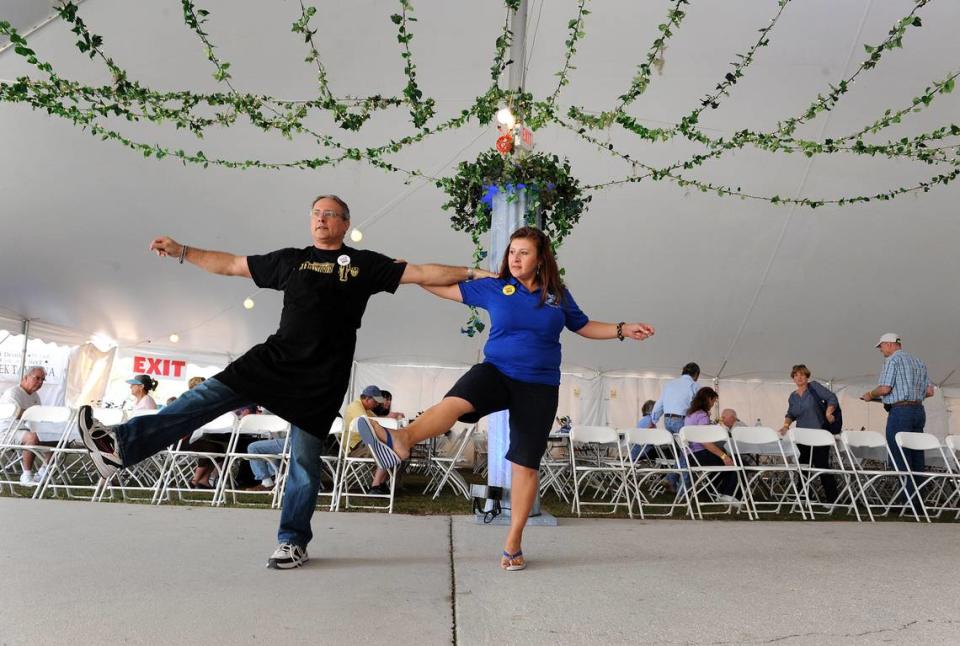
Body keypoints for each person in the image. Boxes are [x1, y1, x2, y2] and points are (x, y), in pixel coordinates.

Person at [77, 193, 494, 570]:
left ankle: (292, 540)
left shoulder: (364, 265)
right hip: (274, 359)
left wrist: (473, 273)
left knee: (304, 463)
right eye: (316, 213)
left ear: (345, 224)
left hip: (322, 376)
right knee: (202, 398)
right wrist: (184, 250)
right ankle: (121, 445)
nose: (322, 219)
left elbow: (420, 272)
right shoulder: (291, 259)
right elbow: (232, 264)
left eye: (331, 214)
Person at [355, 226, 654, 571]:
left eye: (524, 252)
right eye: (512, 252)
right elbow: (444, 287)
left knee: (525, 465)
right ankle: (402, 439)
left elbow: (583, 325)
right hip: (496, 370)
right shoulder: (495, 287)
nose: (515, 258)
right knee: (455, 401)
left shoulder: (557, 294)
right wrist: (411, 275)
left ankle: (513, 543)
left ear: (541, 258)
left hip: (539, 386)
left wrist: (621, 329)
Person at [860, 333, 934, 505]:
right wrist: (912, 396)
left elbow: (885, 388)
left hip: (900, 411)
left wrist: (870, 394)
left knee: (900, 455)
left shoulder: (892, 360)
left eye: (881, 347)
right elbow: (930, 392)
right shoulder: (918, 361)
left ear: (889, 344)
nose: (881, 350)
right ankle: (918, 501)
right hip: (918, 410)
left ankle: (906, 500)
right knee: (917, 456)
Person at [779, 364, 840, 503]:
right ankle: (804, 496)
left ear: (807, 376)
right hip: (802, 436)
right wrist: (785, 426)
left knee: (821, 466)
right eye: (796, 375)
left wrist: (828, 411)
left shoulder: (814, 387)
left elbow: (832, 398)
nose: (799, 377)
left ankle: (832, 499)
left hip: (819, 434)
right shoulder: (792, 397)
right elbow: (790, 414)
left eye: (802, 374)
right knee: (803, 466)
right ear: (793, 378)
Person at [650, 362, 701, 490]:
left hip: (668, 420)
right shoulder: (694, 385)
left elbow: (659, 404)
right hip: (682, 420)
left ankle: (671, 479)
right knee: (688, 453)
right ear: (696, 375)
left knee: (682, 453)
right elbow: (698, 406)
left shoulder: (670, 384)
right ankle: (683, 490)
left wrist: (653, 419)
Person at [683, 386, 738, 503]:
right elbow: (705, 442)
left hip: (690, 456)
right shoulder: (702, 416)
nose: (713, 404)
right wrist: (724, 456)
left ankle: (710, 492)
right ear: (708, 399)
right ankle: (727, 495)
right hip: (700, 455)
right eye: (713, 401)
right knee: (733, 463)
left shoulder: (690, 415)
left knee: (721, 464)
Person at [0, 366, 48, 485]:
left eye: (42, 379)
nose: (40, 382)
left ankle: (42, 473)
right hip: (7, 431)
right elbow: (16, 414)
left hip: (24, 430)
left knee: (55, 439)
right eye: (37, 378)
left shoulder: (35, 396)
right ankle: (26, 475)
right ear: (26, 377)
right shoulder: (13, 393)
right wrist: (32, 414)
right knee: (32, 437)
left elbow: (39, 417)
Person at [343, 385, 392, 495]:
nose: (377, 404)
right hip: (354, 448)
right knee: (389, 449)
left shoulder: (366, 409)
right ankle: (375, 486)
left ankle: (381, 484)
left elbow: (378, 422)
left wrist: (389, 418)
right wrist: (389, 418)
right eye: (375, 401)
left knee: (391, 447)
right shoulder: (356, 406)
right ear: (367, 399)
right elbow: (368, 424)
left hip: (362, 445)